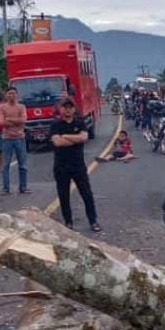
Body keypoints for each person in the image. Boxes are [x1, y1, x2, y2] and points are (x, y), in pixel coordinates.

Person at [50, 97, 101, 232]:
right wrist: (75, 138)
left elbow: (84, 137)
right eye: (65, 107)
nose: (67, 110)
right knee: (63, 195)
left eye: (70, 107)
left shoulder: (80, 122)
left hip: (78, 165)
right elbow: (57, 142)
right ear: (60, 109)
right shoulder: (55, 125)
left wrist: (66, 136)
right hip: (61, 166)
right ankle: (68, 222)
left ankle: (93, 221)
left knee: (86, 193)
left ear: (74, 109)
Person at [0, 87, 30, 195]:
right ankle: (6, 188)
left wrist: (10, 120)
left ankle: (23, 187)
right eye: (9, 94)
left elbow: (24, 120)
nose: (11, 96)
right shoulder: (2, 107)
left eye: (13, 93)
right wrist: (17, 122)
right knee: (6, 165)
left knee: (23, 165)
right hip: (6, 138)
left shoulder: (21, 107)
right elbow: (2, 122)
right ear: (6, 95)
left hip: (20, 137)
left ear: (17, 95)